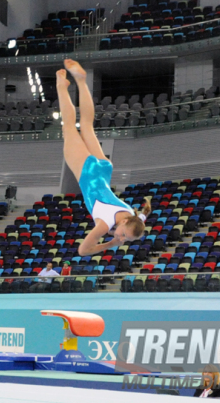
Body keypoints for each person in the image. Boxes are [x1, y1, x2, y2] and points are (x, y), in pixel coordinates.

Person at [56, 59, 151, 257]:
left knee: (88, 125)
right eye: (124, 235)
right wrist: (110, 244)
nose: (122, 239)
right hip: (87, 171)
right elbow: (83, 251)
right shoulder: (105, 224)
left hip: (104, 169)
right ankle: (61, 86)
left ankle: (82, 82)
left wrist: (130, 227)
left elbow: (141, 218)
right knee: (69, 127)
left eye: (125, 240)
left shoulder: (133, 216)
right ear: (124, 223)